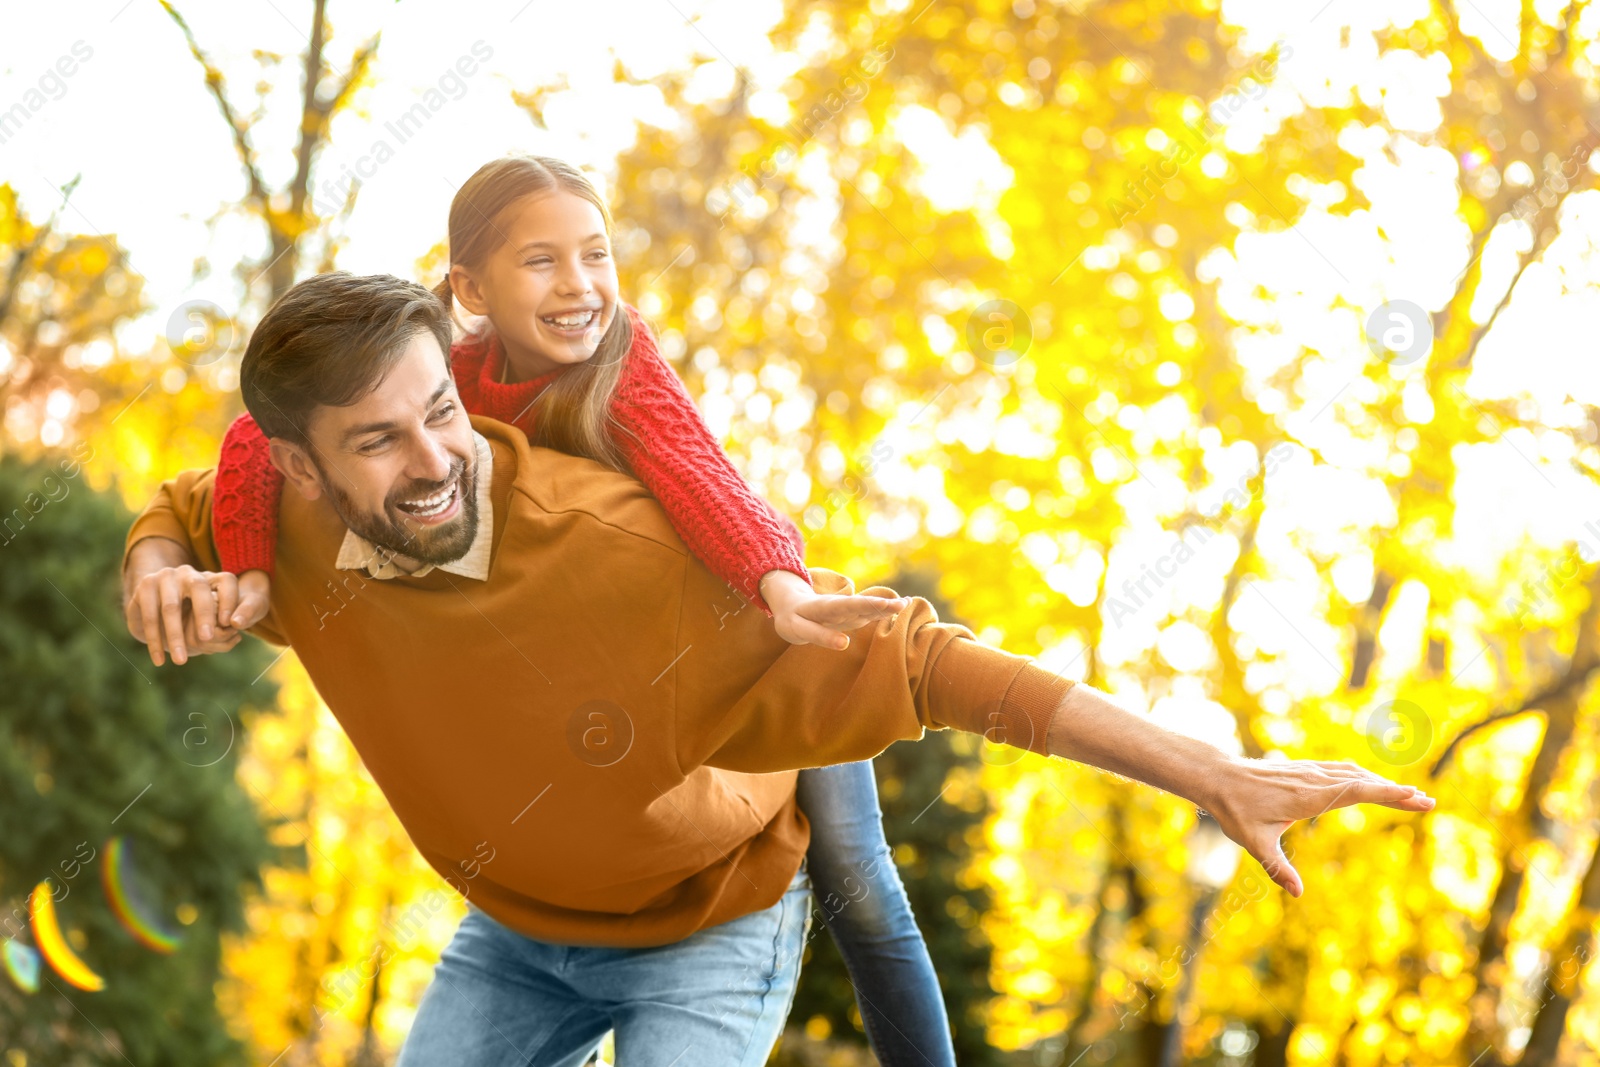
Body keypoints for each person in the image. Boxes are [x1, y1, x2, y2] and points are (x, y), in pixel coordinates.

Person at [123, 272, 1434, 1067]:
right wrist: (154, 565)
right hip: (513, 934)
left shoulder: (614, 555)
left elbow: (929, 662)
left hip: (709, 921)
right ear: (296, 465)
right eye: (380, 440)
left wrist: (1209, 767)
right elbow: (181, 502)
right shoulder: (285, 534)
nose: (434, 459)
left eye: (445, 411)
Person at [198, 154, 955, 1065]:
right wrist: (244, 565)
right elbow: (255, 433)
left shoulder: (622, 367)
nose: (580, 285)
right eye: (542, 261)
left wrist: (781, 581)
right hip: (647, 695)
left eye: (597, 254)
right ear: (469, 287)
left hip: (779, 637)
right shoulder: (444, 381)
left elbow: (706, 481)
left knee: (863, 890)